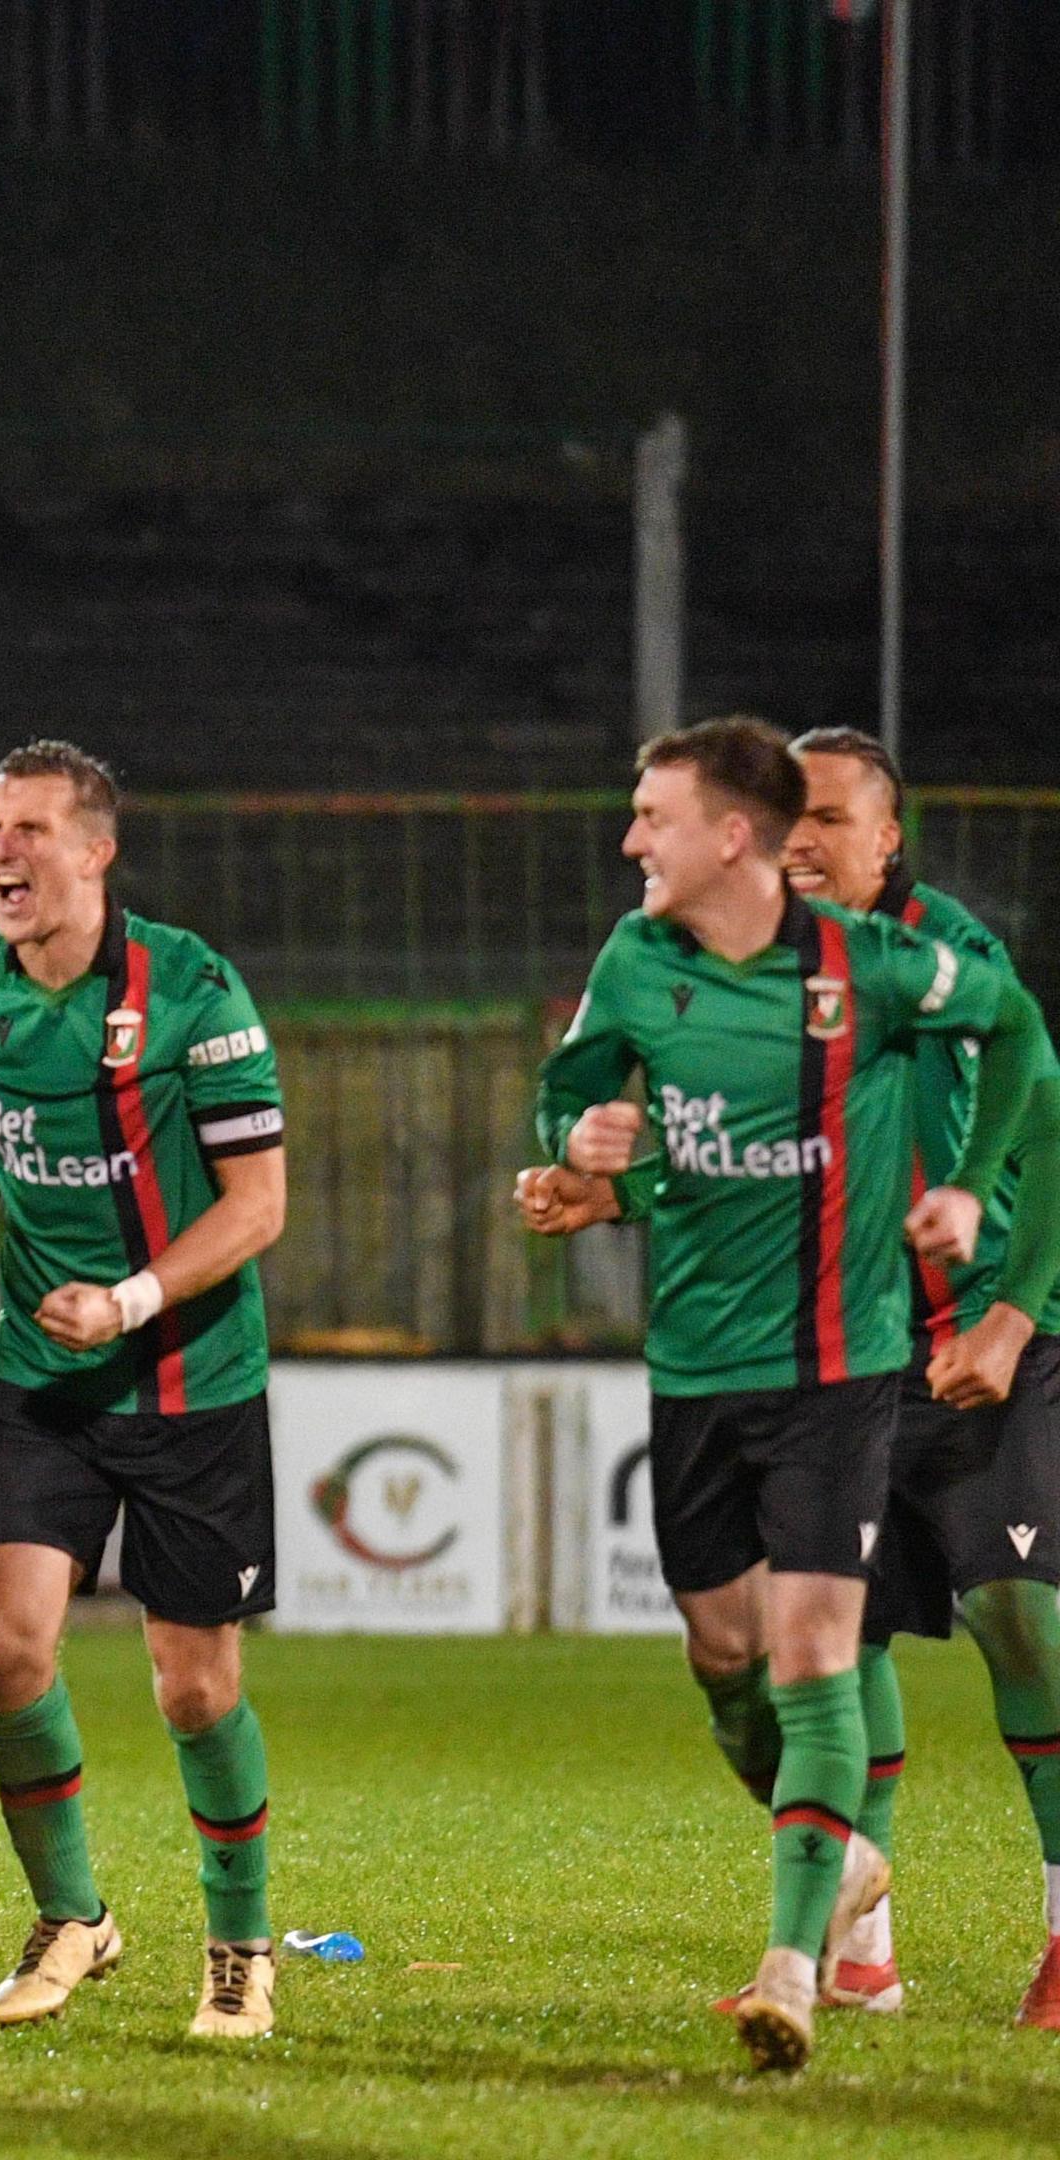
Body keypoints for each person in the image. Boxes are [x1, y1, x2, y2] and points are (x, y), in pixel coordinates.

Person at [521, 715, 1056, 2071]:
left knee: (1002, 1618)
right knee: (780, 1654)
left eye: (835, 822)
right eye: (797, 817)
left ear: (884, 839)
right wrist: (594, 1165)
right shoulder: (657, 962)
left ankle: (908, 1945)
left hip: (921, 1354)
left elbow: (1035, 1082)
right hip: (759, 1359)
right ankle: (856, 1917)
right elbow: (687, 1134)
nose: (809, 843)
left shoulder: (910, 967)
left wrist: (998, 1288)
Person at [0, 741, 294, 2041]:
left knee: (194, 1688)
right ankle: (74, 1916)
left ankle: (241, 1943)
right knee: (10, 1649)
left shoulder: (194, 991)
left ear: (96, 850)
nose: (2, 852)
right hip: (43, 1387)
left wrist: (132, 1299)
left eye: (30, 829)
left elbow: (260, 1206)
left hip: (194, 1382)